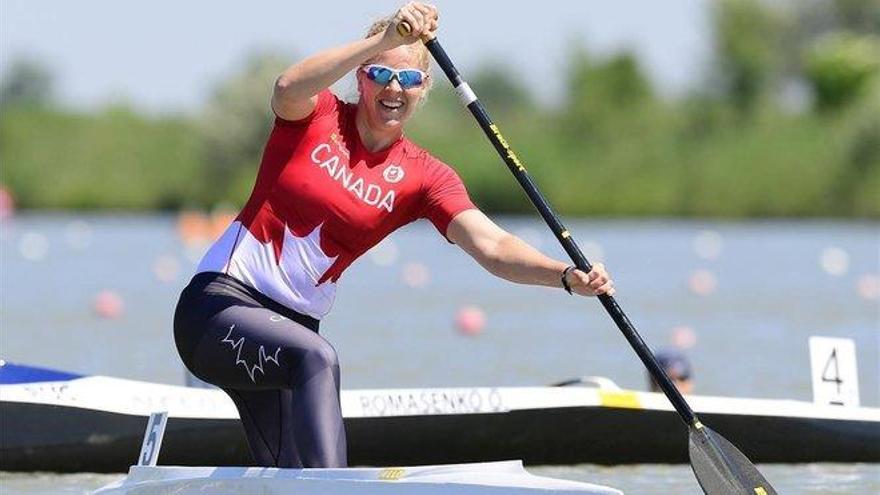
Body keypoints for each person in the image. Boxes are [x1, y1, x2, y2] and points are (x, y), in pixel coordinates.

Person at [173, 1, 615, 469]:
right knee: (319, 361)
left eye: (408, 80)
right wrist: (386, 40)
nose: (393, 89)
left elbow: (493, 246)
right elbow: (286, 87)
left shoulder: (424, 177)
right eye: (381, 74)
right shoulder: (317, 116)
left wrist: (566, 276)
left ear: (423, 90)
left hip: (289, 342)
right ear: (361, 76)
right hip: (219, 310)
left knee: (291, 475)